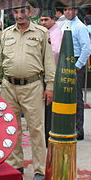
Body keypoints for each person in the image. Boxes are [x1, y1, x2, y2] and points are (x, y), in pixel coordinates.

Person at [0, 5, 55, 180]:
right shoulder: (6, 34)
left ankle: (40, 169)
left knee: (36, 128)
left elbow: (49, 61)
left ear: (30, 12)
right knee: (12, 127)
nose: (19, 15)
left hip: (32, 86)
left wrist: (49, 85)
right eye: (16, 12)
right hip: (8, 86)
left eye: (23, 11)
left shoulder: (41, 33)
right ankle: (15, 165)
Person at [63, 6, 91, 140]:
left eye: (70, 9)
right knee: (66, 96)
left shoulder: (80, 27)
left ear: (76, 11)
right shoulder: (64, 25)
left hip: (76, 62)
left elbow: (86, 48)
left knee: (77, 98)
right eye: (65, 10)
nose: (67, 12)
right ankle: (68, 125)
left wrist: (78, 66)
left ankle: (79, 129)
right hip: (65, 62)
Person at [40, 10, 62, 145]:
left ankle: (48, 137)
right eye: (41, 20)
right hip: (46, 72)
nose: (43, 22)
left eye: (46, 20)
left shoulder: (56, 32)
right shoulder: (46, 32)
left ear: (53, 19)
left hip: (50, 73)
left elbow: (56, 51)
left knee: (48, 106)